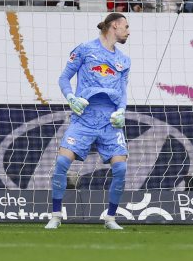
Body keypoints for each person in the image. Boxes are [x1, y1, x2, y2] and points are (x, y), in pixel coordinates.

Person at [46, 12, 131, 231]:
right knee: (62, 163)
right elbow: (64, 78)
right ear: (114, 26)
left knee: (121, 169)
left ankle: (110, 218)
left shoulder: (124, 60)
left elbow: (123, 92)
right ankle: (55, 215)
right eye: (126, 26)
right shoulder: (84, 49)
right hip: (84, 116)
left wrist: (121, 111)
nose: (128, 32)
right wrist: (71, 98)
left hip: (110, 121)